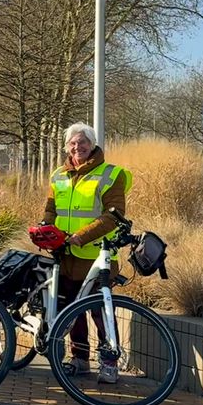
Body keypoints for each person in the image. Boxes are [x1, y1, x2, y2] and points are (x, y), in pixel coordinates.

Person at [42, 122, 131, 384]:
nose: (77, 147)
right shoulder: (58, 175)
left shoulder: (112, 174)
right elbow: (51, 209)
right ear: (66, 146)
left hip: (96, 255)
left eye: (83, 142)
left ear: (92, 145)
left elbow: (114, 215)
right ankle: (79, 359)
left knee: (101, 311)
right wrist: (45, 230)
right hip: (65, 254)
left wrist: (82, 236)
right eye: (72, 143)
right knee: (72, 309)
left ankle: (109, 362)